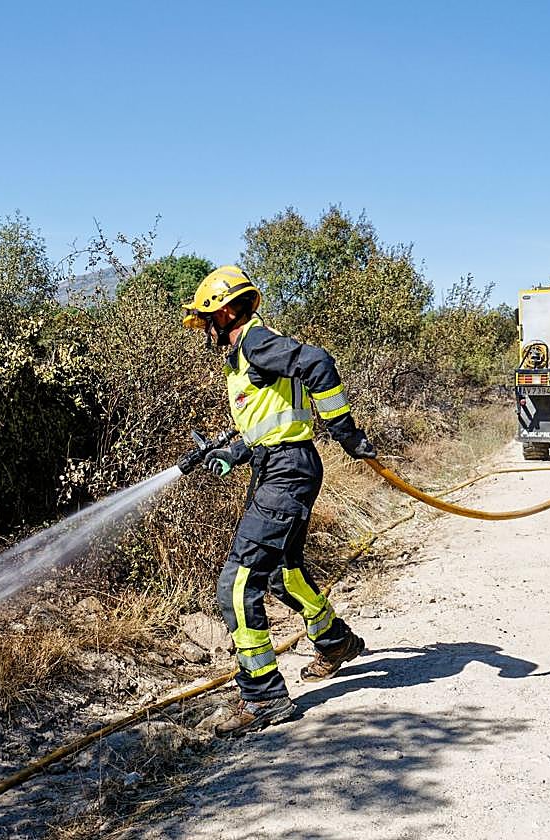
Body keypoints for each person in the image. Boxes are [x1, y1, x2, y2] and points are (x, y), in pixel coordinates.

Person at [181, 265, 374, 736]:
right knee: (283, 574)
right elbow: (272, 422)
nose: (205, 331)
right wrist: (232, 452)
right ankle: (334, 641)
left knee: (236, 584)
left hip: (287, 473)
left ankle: (264, 698)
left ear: (225, 312)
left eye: (207, 320)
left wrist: (346, 432)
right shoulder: (252, 355)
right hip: (280, 466)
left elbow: (319, 362)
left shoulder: (254, 342)